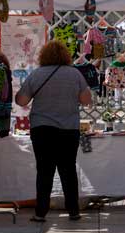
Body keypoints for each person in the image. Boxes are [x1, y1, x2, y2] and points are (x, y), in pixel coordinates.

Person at [16, 40, 92, 223]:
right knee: (68, 170)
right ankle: (73, 210)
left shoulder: (37, 75)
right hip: (68, 129)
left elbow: (22, 101)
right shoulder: (75, 74)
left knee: (44, 171)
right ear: (65, 55)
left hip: (42, 129)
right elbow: (86, 99)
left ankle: (40, 212)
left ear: (44, 56)